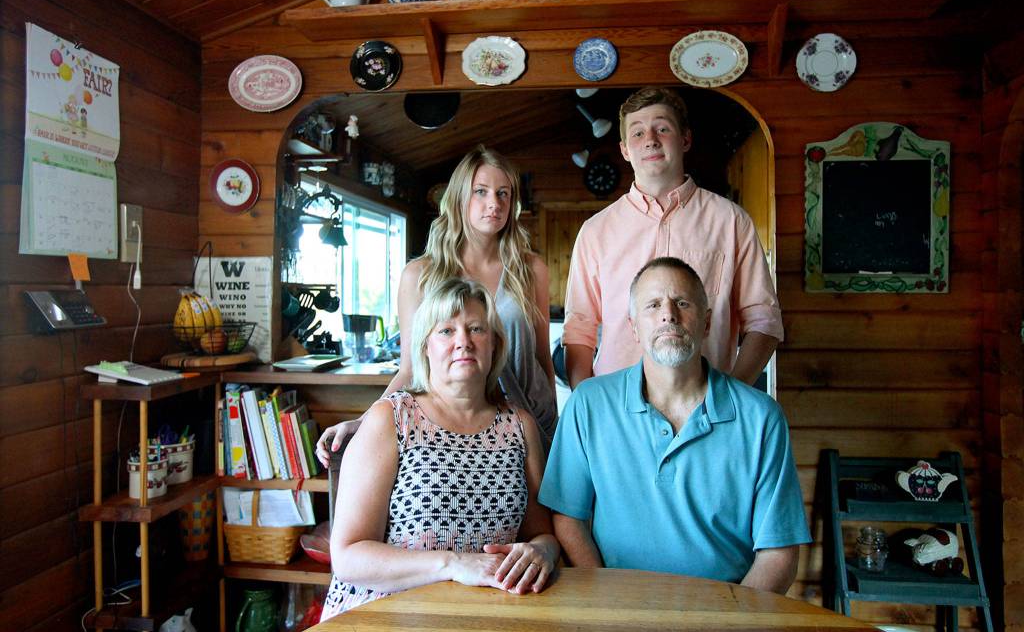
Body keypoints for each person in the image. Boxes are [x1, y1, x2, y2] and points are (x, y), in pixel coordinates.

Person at [540, 257, 809, 594]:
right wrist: (606, 601)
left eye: (682, 303)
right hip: (616, 607)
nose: (668, 314)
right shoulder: (588, 404)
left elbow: (779, 553)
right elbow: (567, 518)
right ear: (633, 327)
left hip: (725, 613)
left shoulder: (761, 418)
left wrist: (736, 617)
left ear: (706, 323)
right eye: (653, 305)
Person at [322, 278, 559, 620]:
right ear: (425, 347)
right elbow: (347, 557)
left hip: (486, 615)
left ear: (494, 344)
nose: (464, 341)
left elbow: (542, 535)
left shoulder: (520, 427)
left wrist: (542, 553)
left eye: (476, 329)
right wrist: (453, 564)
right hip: (383, 614)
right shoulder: (392, 418)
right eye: (446, 331)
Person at [317, 145, 557, 465]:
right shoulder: (420, 275)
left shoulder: (531, 269)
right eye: (481, 192)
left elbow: (542, 357)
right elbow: (410, 369)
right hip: (455, 423)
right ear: (459, 198)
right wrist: (364, 422)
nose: (494, 203)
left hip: (533, 420)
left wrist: (559, 425)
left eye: (503, 193)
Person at [562, 87, 783, 388]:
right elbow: (579, 328)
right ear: (625, 150)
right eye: (637, 133)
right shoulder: (595, 231)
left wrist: (731, 395)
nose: (650, 139)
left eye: (663, 128)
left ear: (685, 139)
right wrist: (586, 402)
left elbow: (764, 320)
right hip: (615, 405)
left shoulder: (731, 222)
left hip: (707, 404)